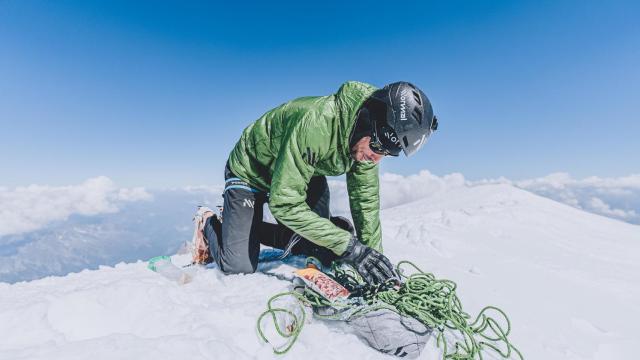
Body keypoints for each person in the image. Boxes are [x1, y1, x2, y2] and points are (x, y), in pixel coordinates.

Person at [199, 81, 437, 285]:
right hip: (250, 172)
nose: (377, 157)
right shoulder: (317, 123)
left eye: (388, 152)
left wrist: (374, 261)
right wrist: (351, 247)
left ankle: (242, 227)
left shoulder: (367, 143)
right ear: (367, 120)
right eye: (378, 147)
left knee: (318, 247)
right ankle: (211, 222)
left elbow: (366, 204)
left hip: (300, 173)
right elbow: (285, 203)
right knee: (237, 264)